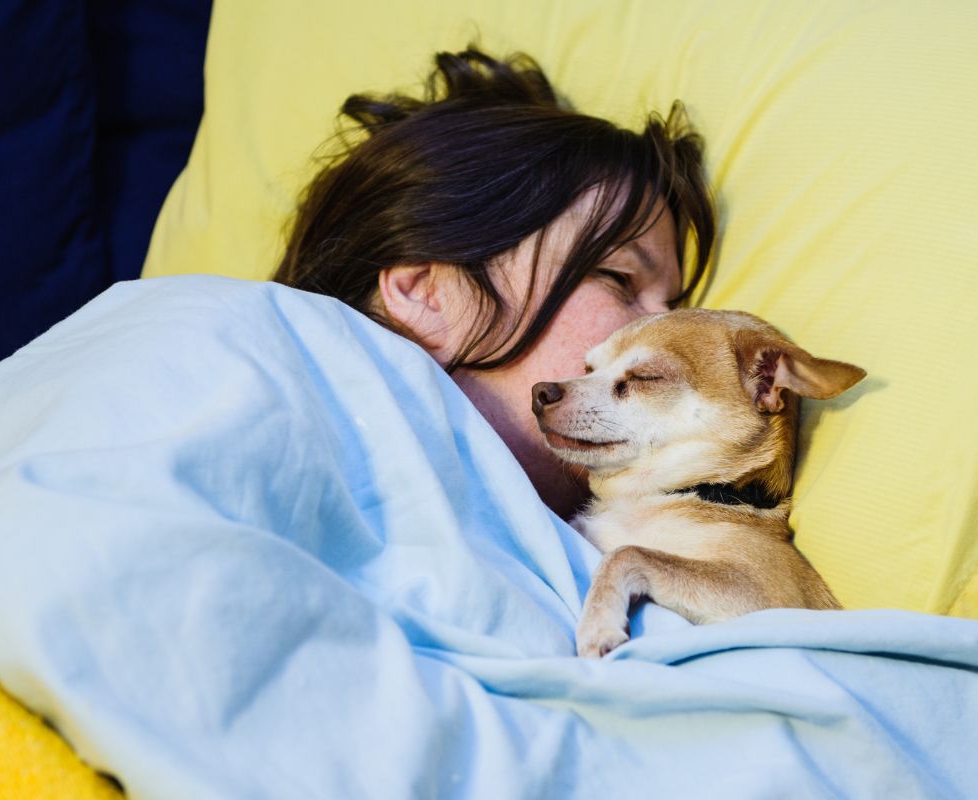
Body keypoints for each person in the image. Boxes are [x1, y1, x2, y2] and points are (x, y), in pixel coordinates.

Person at [274, 47, 716, 519]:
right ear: (425, 293)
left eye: (672, 305)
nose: (669, 330)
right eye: (618, 277)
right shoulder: (248, 395)